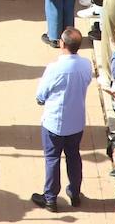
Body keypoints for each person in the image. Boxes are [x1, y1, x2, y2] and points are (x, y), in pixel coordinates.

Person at [31, 26, 92, 211]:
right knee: (74, 157)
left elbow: (41, 94)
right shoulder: (86, 64)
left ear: (62, 43)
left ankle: (50, 198)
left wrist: (41, 100)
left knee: (52, 158)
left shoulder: (54, 68)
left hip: (54, 122)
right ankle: (74, 193)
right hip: (76, 122)